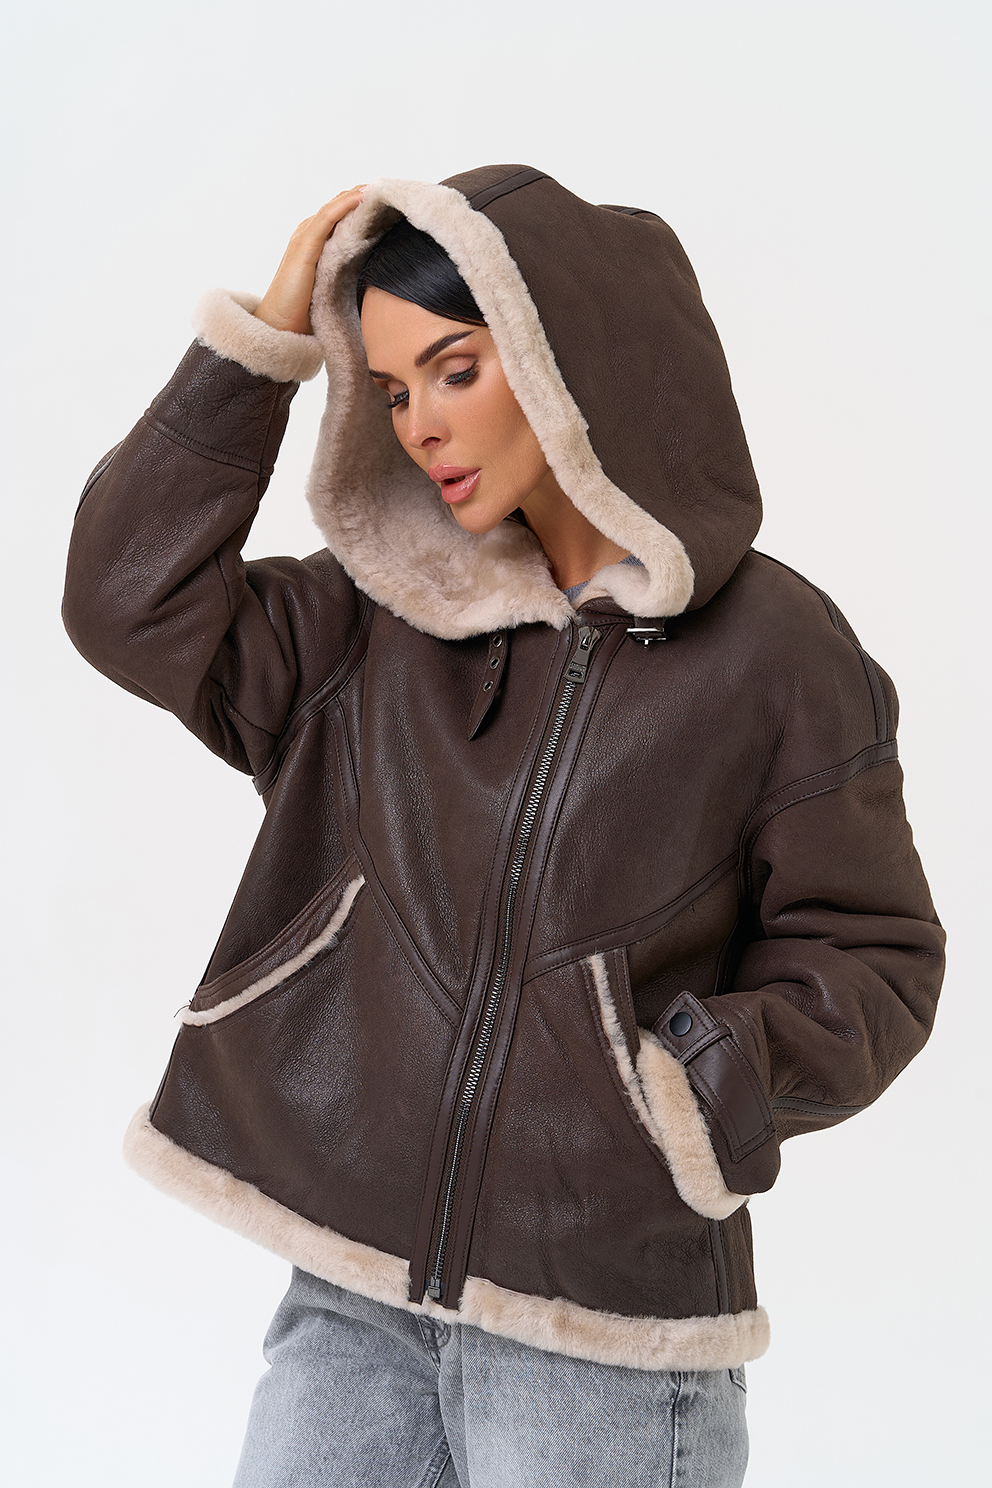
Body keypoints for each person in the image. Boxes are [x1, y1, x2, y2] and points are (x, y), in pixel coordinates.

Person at [62, 166, 945, 1488]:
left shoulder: (778, 654)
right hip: (353, 1300)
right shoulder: (372, 621)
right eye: (393, 388)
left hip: (605, 1336)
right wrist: (259, 352)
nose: (419, 424)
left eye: (456, 370)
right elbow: (128, 602)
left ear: (563, 360)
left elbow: (874, 955)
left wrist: (691, 1088)